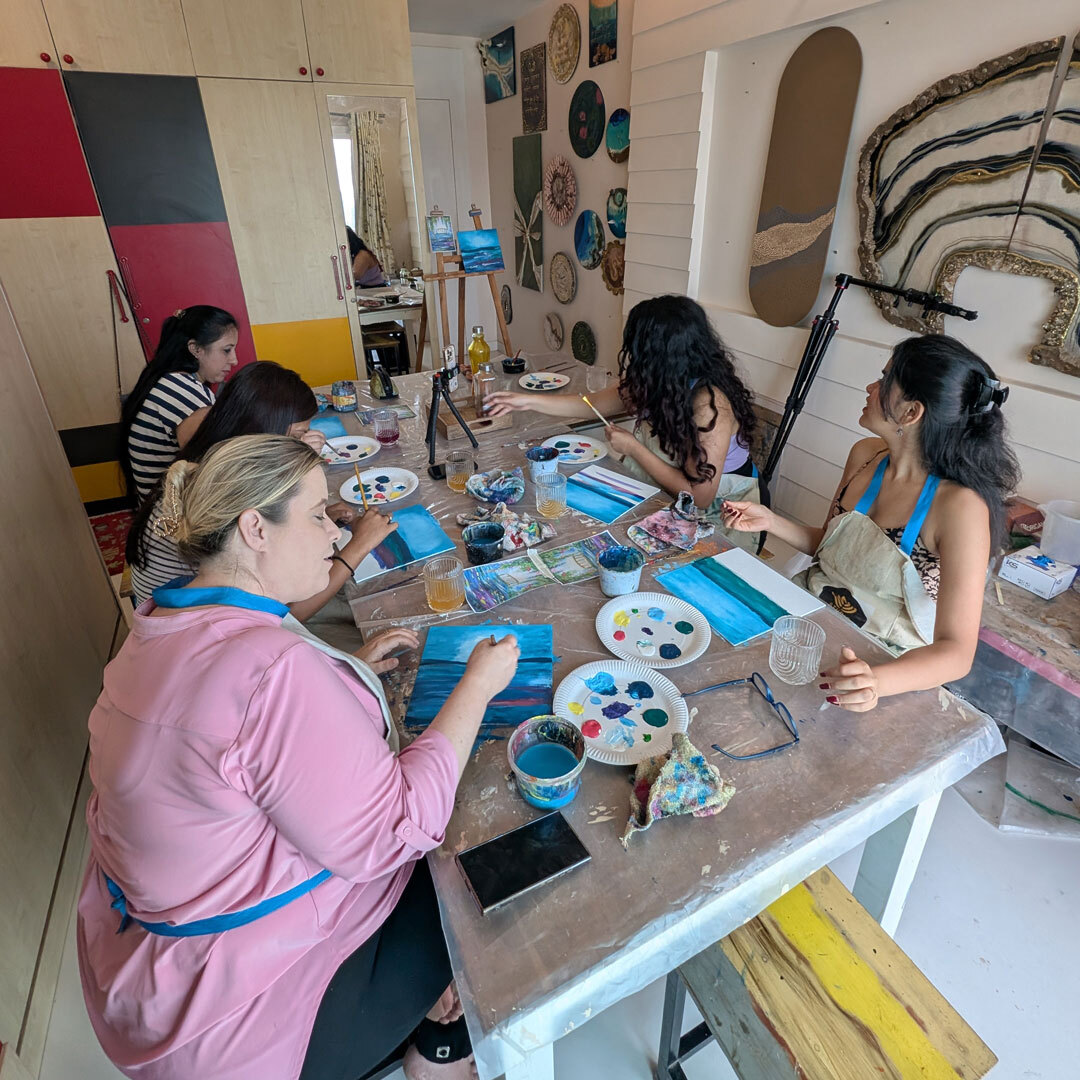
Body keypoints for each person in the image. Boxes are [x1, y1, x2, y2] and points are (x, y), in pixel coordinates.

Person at [79, 433, 521, 1080]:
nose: (334, 538)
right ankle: (440, 1049)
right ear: (255, 528)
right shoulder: (272, 671)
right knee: (491, 848)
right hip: (241, 1018)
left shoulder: (156, 623)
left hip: (149, 982)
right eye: (318, 516)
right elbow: (399, 827)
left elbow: (239, 736)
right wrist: (477, 684)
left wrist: (339, 671)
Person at [725, 334, 1020, 712]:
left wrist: (874, 682)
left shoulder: (960, 506)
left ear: (911, 413)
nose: (870, 387)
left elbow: (956, 651)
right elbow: (831, 550)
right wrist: (770, 521)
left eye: (884, 380)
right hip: (809, 620)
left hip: (884, 666)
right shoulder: (865, 457)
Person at [486, 295, 763, 550]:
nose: (633, 356)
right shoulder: (659, 380)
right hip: (661, 496)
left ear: (661, 352)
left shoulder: (709, 405)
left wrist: (633, 448)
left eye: (640, 349)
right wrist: (524, 400)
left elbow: (698, 496)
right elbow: (589, 403)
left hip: (722, 517)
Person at [125, 361, 391, 615]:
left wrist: (316, 519)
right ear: (261, 431)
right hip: (204, 628)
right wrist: (359, 545)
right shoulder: (224, 492)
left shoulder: (215, 461)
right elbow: (291, 613)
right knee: (367, 602)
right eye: (297, 436)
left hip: (189, 614)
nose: (301, 445)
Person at [121, 306, 240, 503]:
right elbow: (216, 470)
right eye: (226, 350)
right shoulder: (186, 393)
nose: (234, 360)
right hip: (171, 519)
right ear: (195, 349)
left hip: (159, 509)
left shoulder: (169, 379)